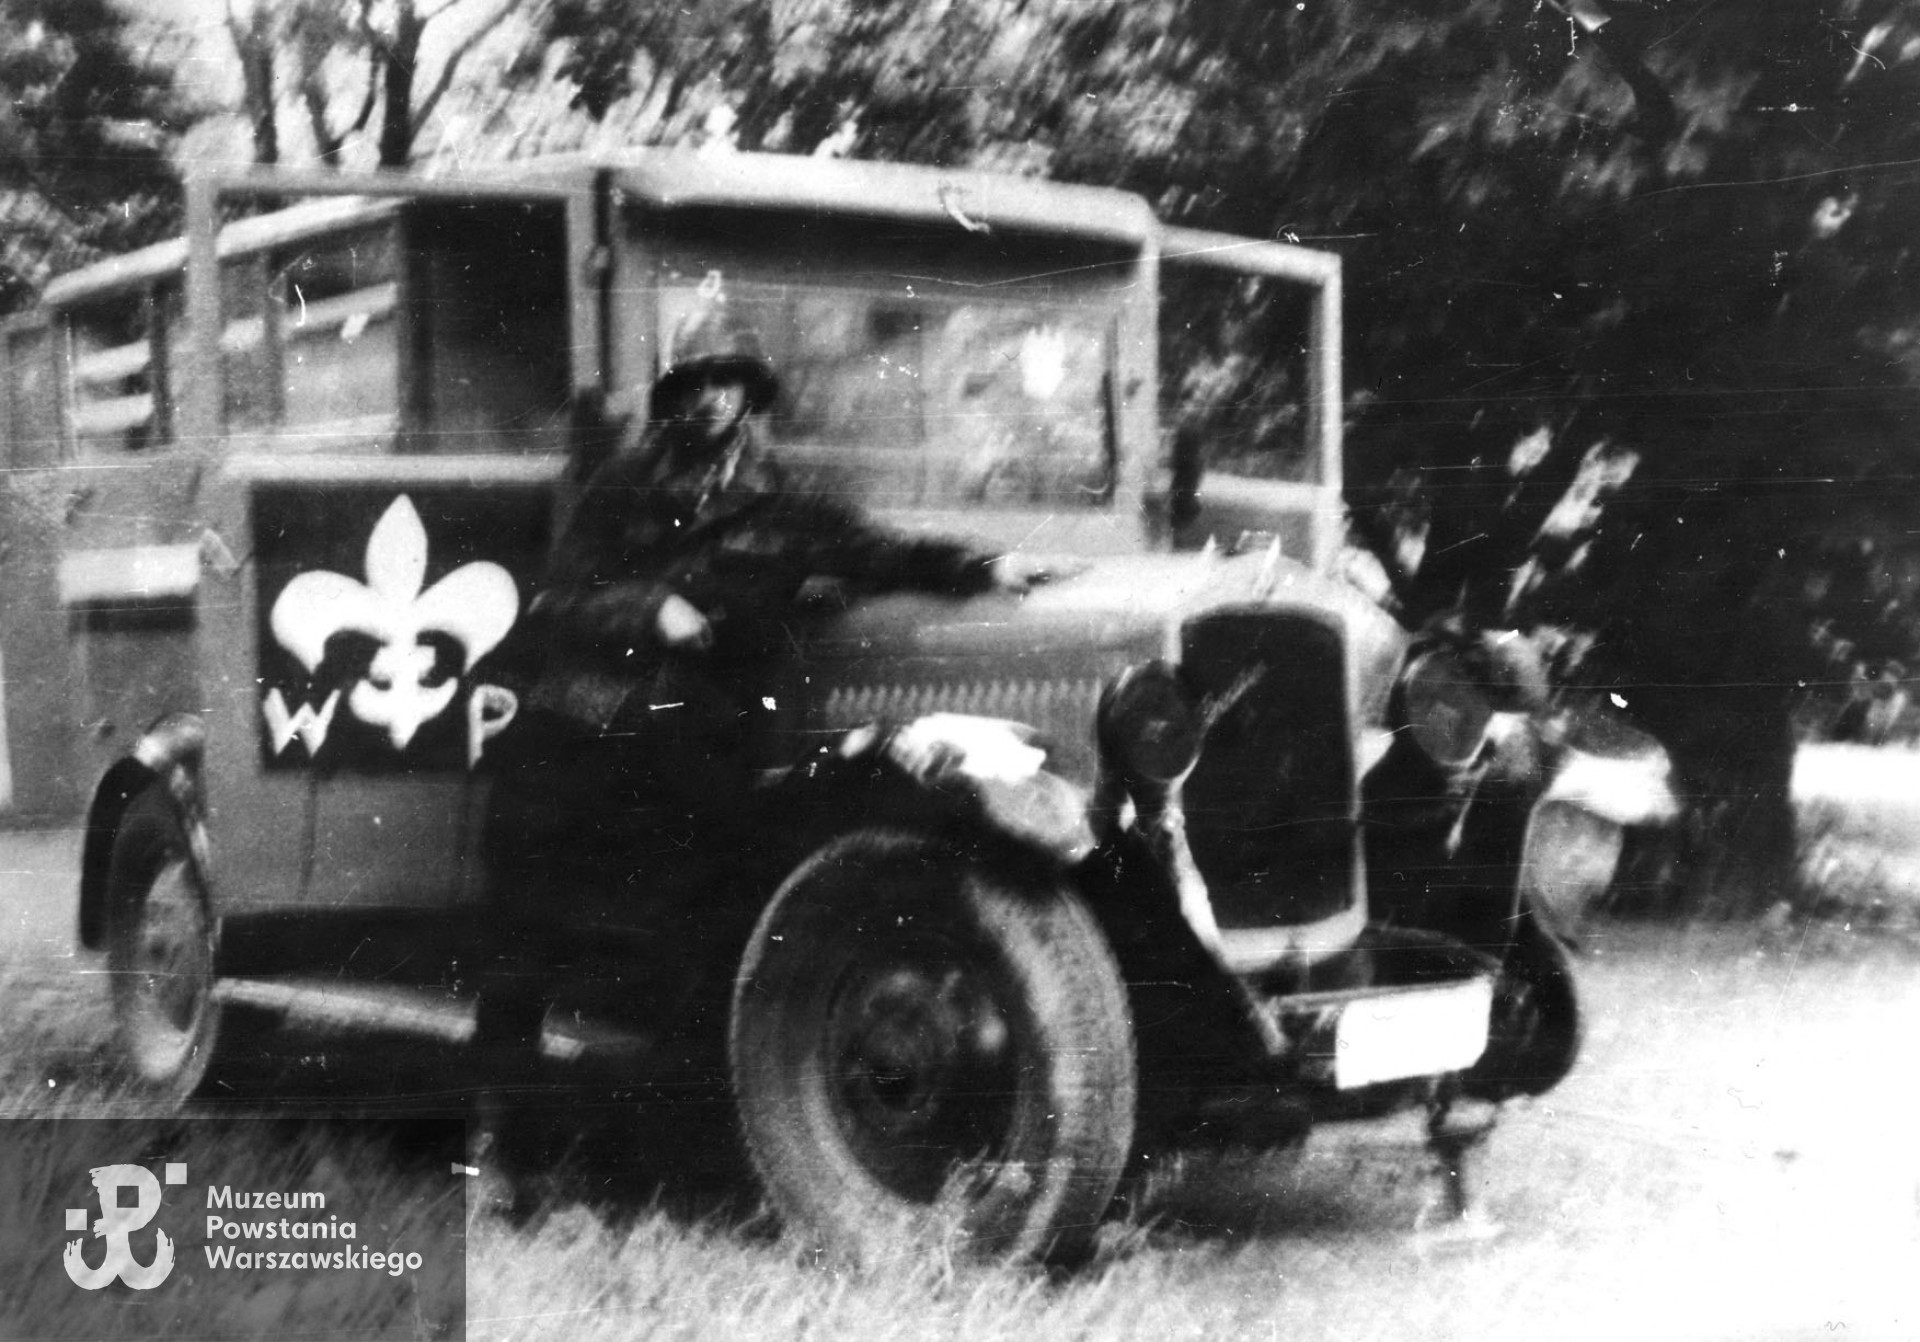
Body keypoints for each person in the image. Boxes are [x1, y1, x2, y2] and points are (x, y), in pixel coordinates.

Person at [473, 309, 1031, 1095]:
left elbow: (878, 553)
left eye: (725, 381)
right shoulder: (623, 485)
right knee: (524, 907)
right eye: (695, 382)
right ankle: (503, 1129)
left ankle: (682, 1117)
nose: (709, 398)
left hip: (697, 730)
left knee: (706, 914)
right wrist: (650, 608)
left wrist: (979, 568)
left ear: (748, 394)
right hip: (586, 718)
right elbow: (556, 600)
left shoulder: (785, 500)